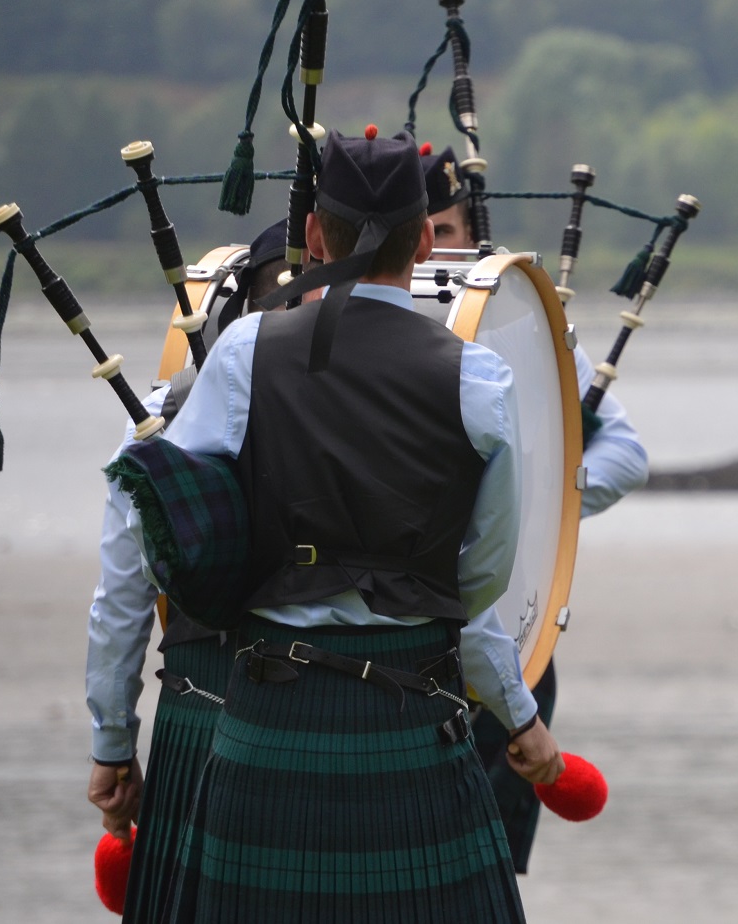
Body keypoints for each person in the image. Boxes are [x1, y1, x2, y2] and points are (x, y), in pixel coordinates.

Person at [156, 130, 556, 922]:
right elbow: (481, 583)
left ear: (312, 237)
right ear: (421, 243)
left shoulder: (241, 352)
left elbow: (177, 528)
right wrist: (521, 717)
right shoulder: (477, 378)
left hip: (265, 720)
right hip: (412, 717)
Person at [420, 142, 651, 873]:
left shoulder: (519, 324)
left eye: (447, 232)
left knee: (489, 875)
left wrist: (535, 501)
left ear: (468, 234)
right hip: (399, 651)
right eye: (420, 234)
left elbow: (624, 455)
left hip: (512, 641)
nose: (434, 250)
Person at [85, 220, 289, 923]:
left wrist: (113, 741)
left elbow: (120, 602)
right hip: (357, 707)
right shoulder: (384, 394)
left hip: (203, 712)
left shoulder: (156, 419)